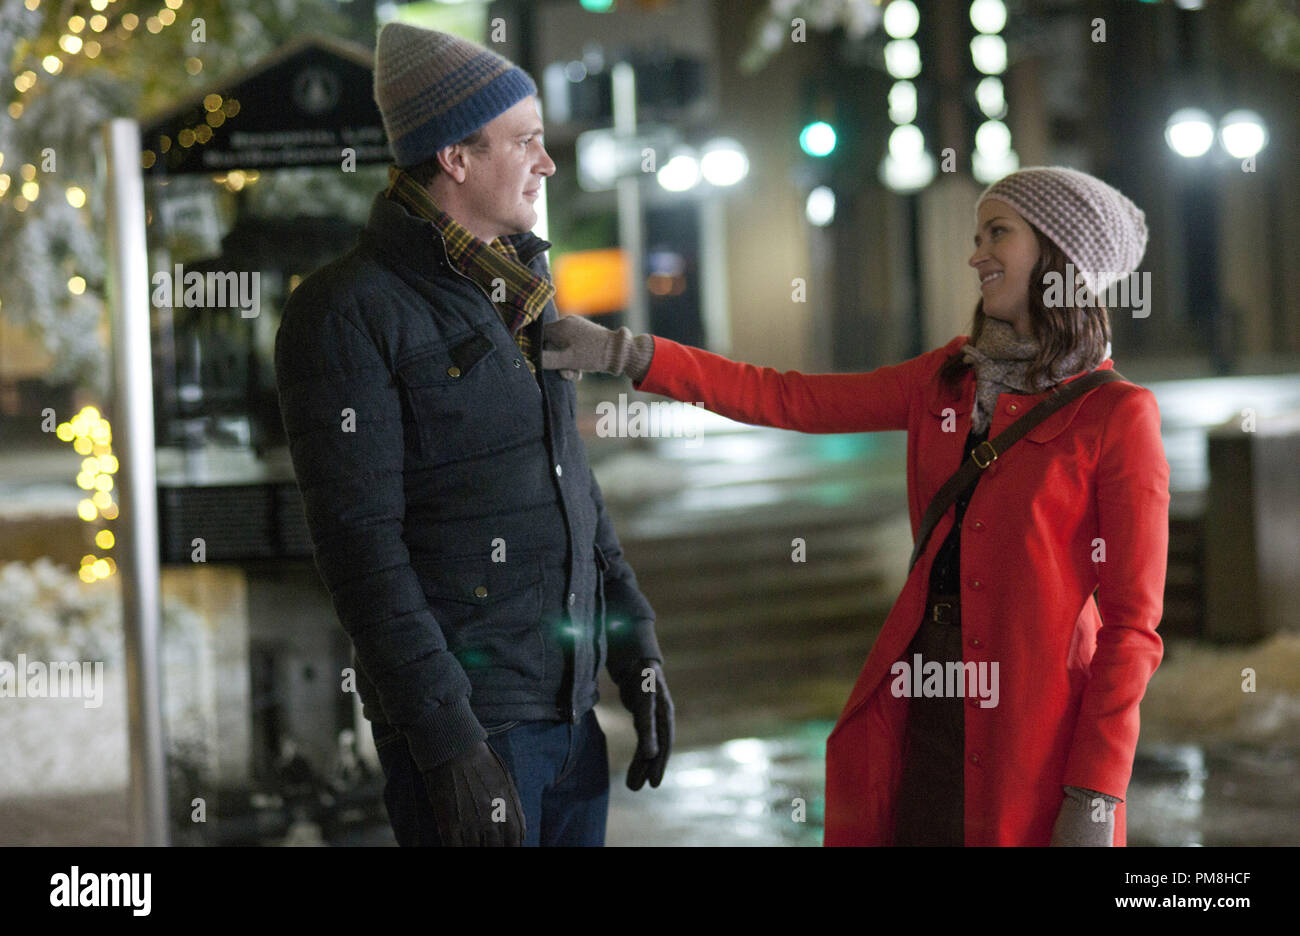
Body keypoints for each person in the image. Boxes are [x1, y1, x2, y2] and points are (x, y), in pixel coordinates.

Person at [542, 167, 1169, 846]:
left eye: (998, 233)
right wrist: (626, 353)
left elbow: (1132, 627)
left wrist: (1095, 792)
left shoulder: (1116, 414)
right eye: (977, 234)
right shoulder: (944, 378)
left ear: (1057, 254)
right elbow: (788, 397)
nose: (976, 253)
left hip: (1037, 732)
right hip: (925, 705)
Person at [274, 22, 672, 848]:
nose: (547, 162)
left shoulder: (520, 289)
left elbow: (574, 491)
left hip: (568, 721)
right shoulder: (346, 312)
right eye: (524, 141)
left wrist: (636, 648)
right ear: (454, 156)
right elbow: (360, 551)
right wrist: (450, 743)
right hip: (473, 733)